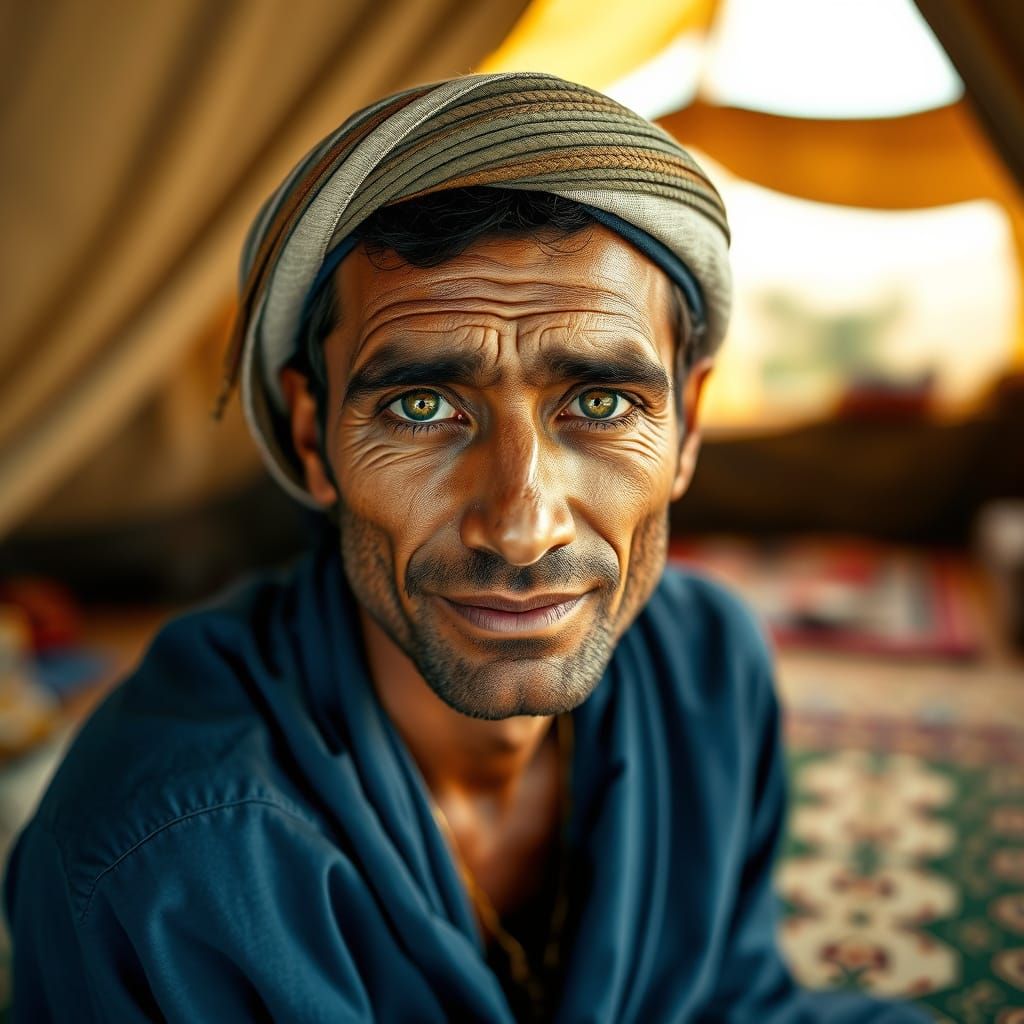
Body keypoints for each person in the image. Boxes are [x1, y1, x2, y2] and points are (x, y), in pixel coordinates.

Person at [4, 73, 929, 1022]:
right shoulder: (164, 863)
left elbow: (733, 1003)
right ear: (314, 437)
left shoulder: (707, 675)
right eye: (421, 406)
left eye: (602, 403)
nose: (524, 526)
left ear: (688, 427)